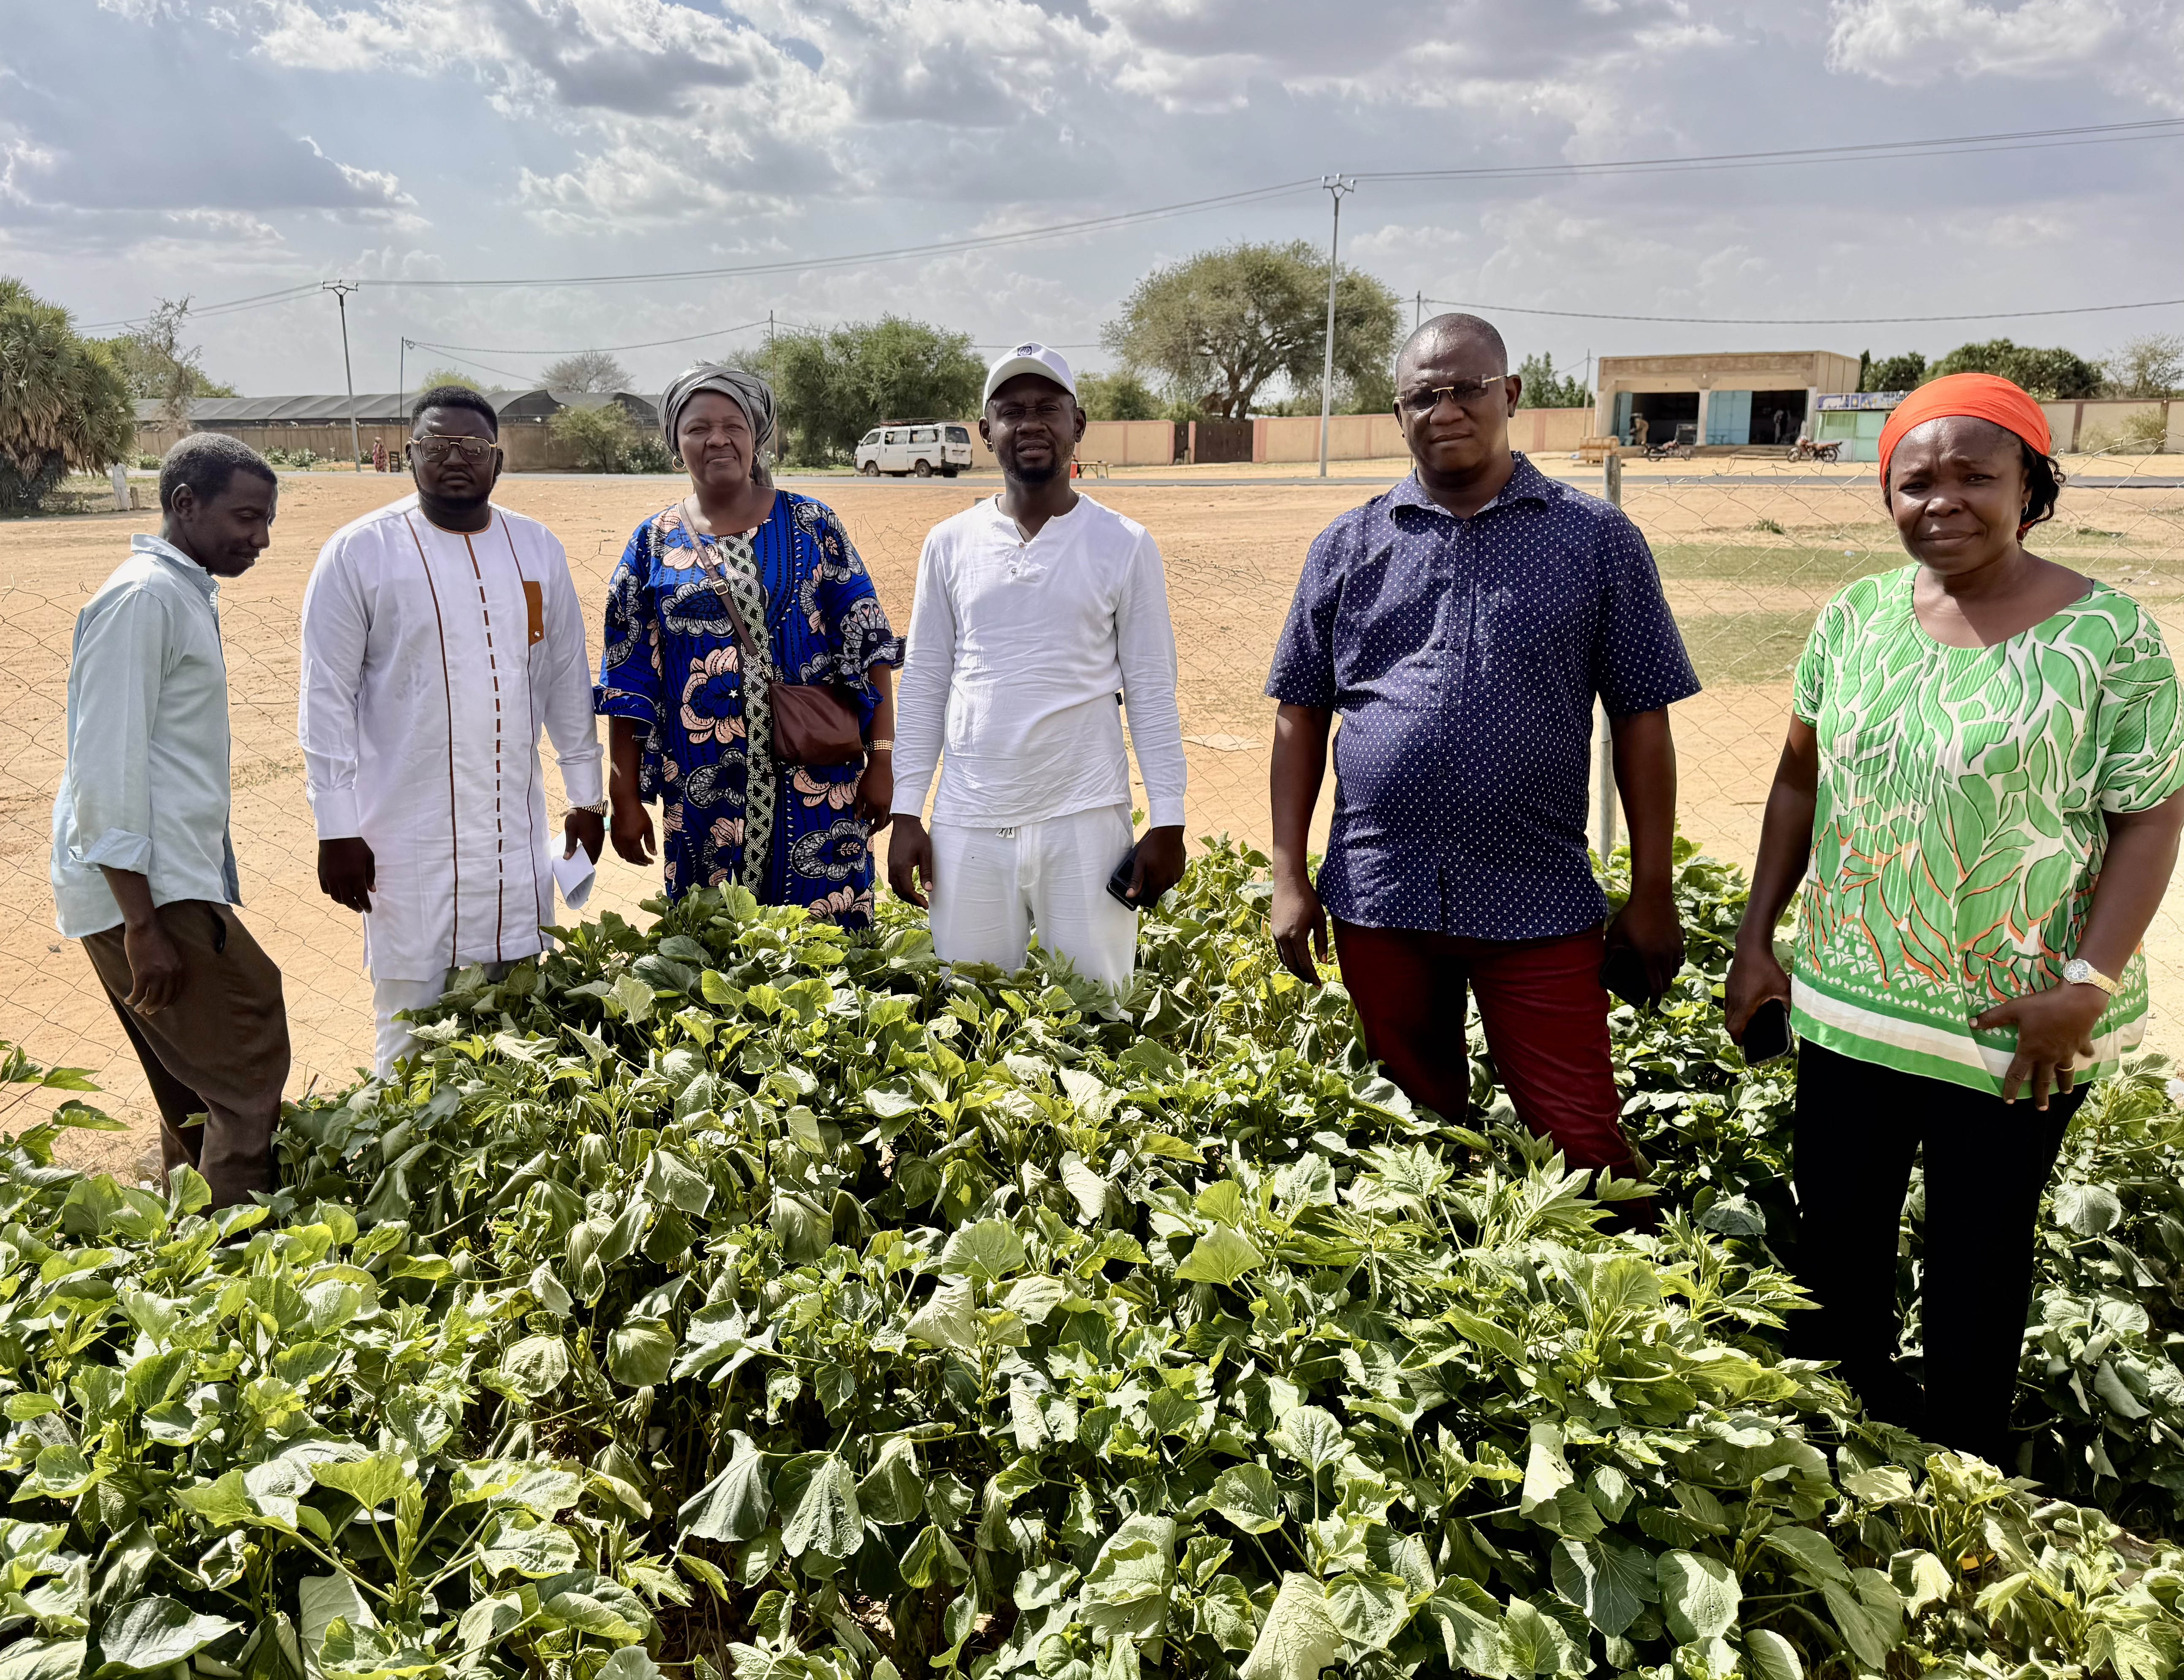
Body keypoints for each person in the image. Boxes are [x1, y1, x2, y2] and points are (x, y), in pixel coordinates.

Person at [1724, 373, 2184, 1466]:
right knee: (1836, 1249)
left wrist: (2085, 986)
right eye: (1912, 479)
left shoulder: (2105, 637)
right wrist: (1755, 941)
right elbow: (1797, 782)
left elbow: (2150, 815)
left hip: (2011, 1030)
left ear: (2029, 481)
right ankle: (1850, 1458)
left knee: (1976, 1261)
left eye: (1973, 475)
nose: (1941, 499)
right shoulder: (1854, 617)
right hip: (1847, 1011)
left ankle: (1963, 1477)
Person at [1266, 312, 1699, 1198]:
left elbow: (1642, 720)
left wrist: (1651, 891)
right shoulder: (1349, 547)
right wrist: (1287, 873)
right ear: (1398, 415)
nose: (1445, 409)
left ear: (1508, 396)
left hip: (1535, 899)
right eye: (1422, 395)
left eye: (1465, 388)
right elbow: (1299, 715)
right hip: (1379, 896)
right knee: (1412, 1140)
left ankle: (1612, 1310)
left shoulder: (1594, 540)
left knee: (1580, 1143)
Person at [299, 385, 605, 1078]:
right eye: (437, 447)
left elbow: (565, 681)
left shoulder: (537, 549)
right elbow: (326, 702)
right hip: (407, 846)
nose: (455, 460)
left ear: (498, 461)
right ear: (409, 455)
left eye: (473, 448)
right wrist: (335, 826)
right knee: (409, 1033)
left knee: (517, 1032)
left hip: (513, 840)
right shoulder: (360, 553)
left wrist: (588, 801)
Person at [888, 343, 1187, 991]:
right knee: (970, 1012)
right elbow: (926, 684)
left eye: (1048, 408)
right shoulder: (949, 544)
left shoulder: (1125, 543)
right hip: (968, 820)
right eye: (1011, 410)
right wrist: (908, 811)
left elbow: (1151, 690)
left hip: (1084, 819)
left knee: (1096, 1012)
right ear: (984, 431)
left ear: (1077, 425)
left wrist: (1168, 818)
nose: (1030, 424)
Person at [51, 434, 290, 1206]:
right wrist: (141, 922)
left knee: (191, 1078)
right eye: (246, 517)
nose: (260, 538)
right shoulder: (144, 597)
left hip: (160, 880)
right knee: (247, 1058)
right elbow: (105, 762)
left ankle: (190, 1253)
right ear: (185, 504)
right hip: (148, 889)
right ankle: (244, 1258)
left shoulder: (178, 589)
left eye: (266, 520)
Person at [597, 366, 900, 921]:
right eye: (698, 428)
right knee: (715, 962)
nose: (717, 439)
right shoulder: (651, 543)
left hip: (821, 789)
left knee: (827, 963)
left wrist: (882, 761)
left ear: (754, 435)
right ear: (675, 443)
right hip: (699, 795)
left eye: (733, 425)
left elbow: (869, 644)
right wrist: (622, 795)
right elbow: (627, 679)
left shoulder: (812, 523)